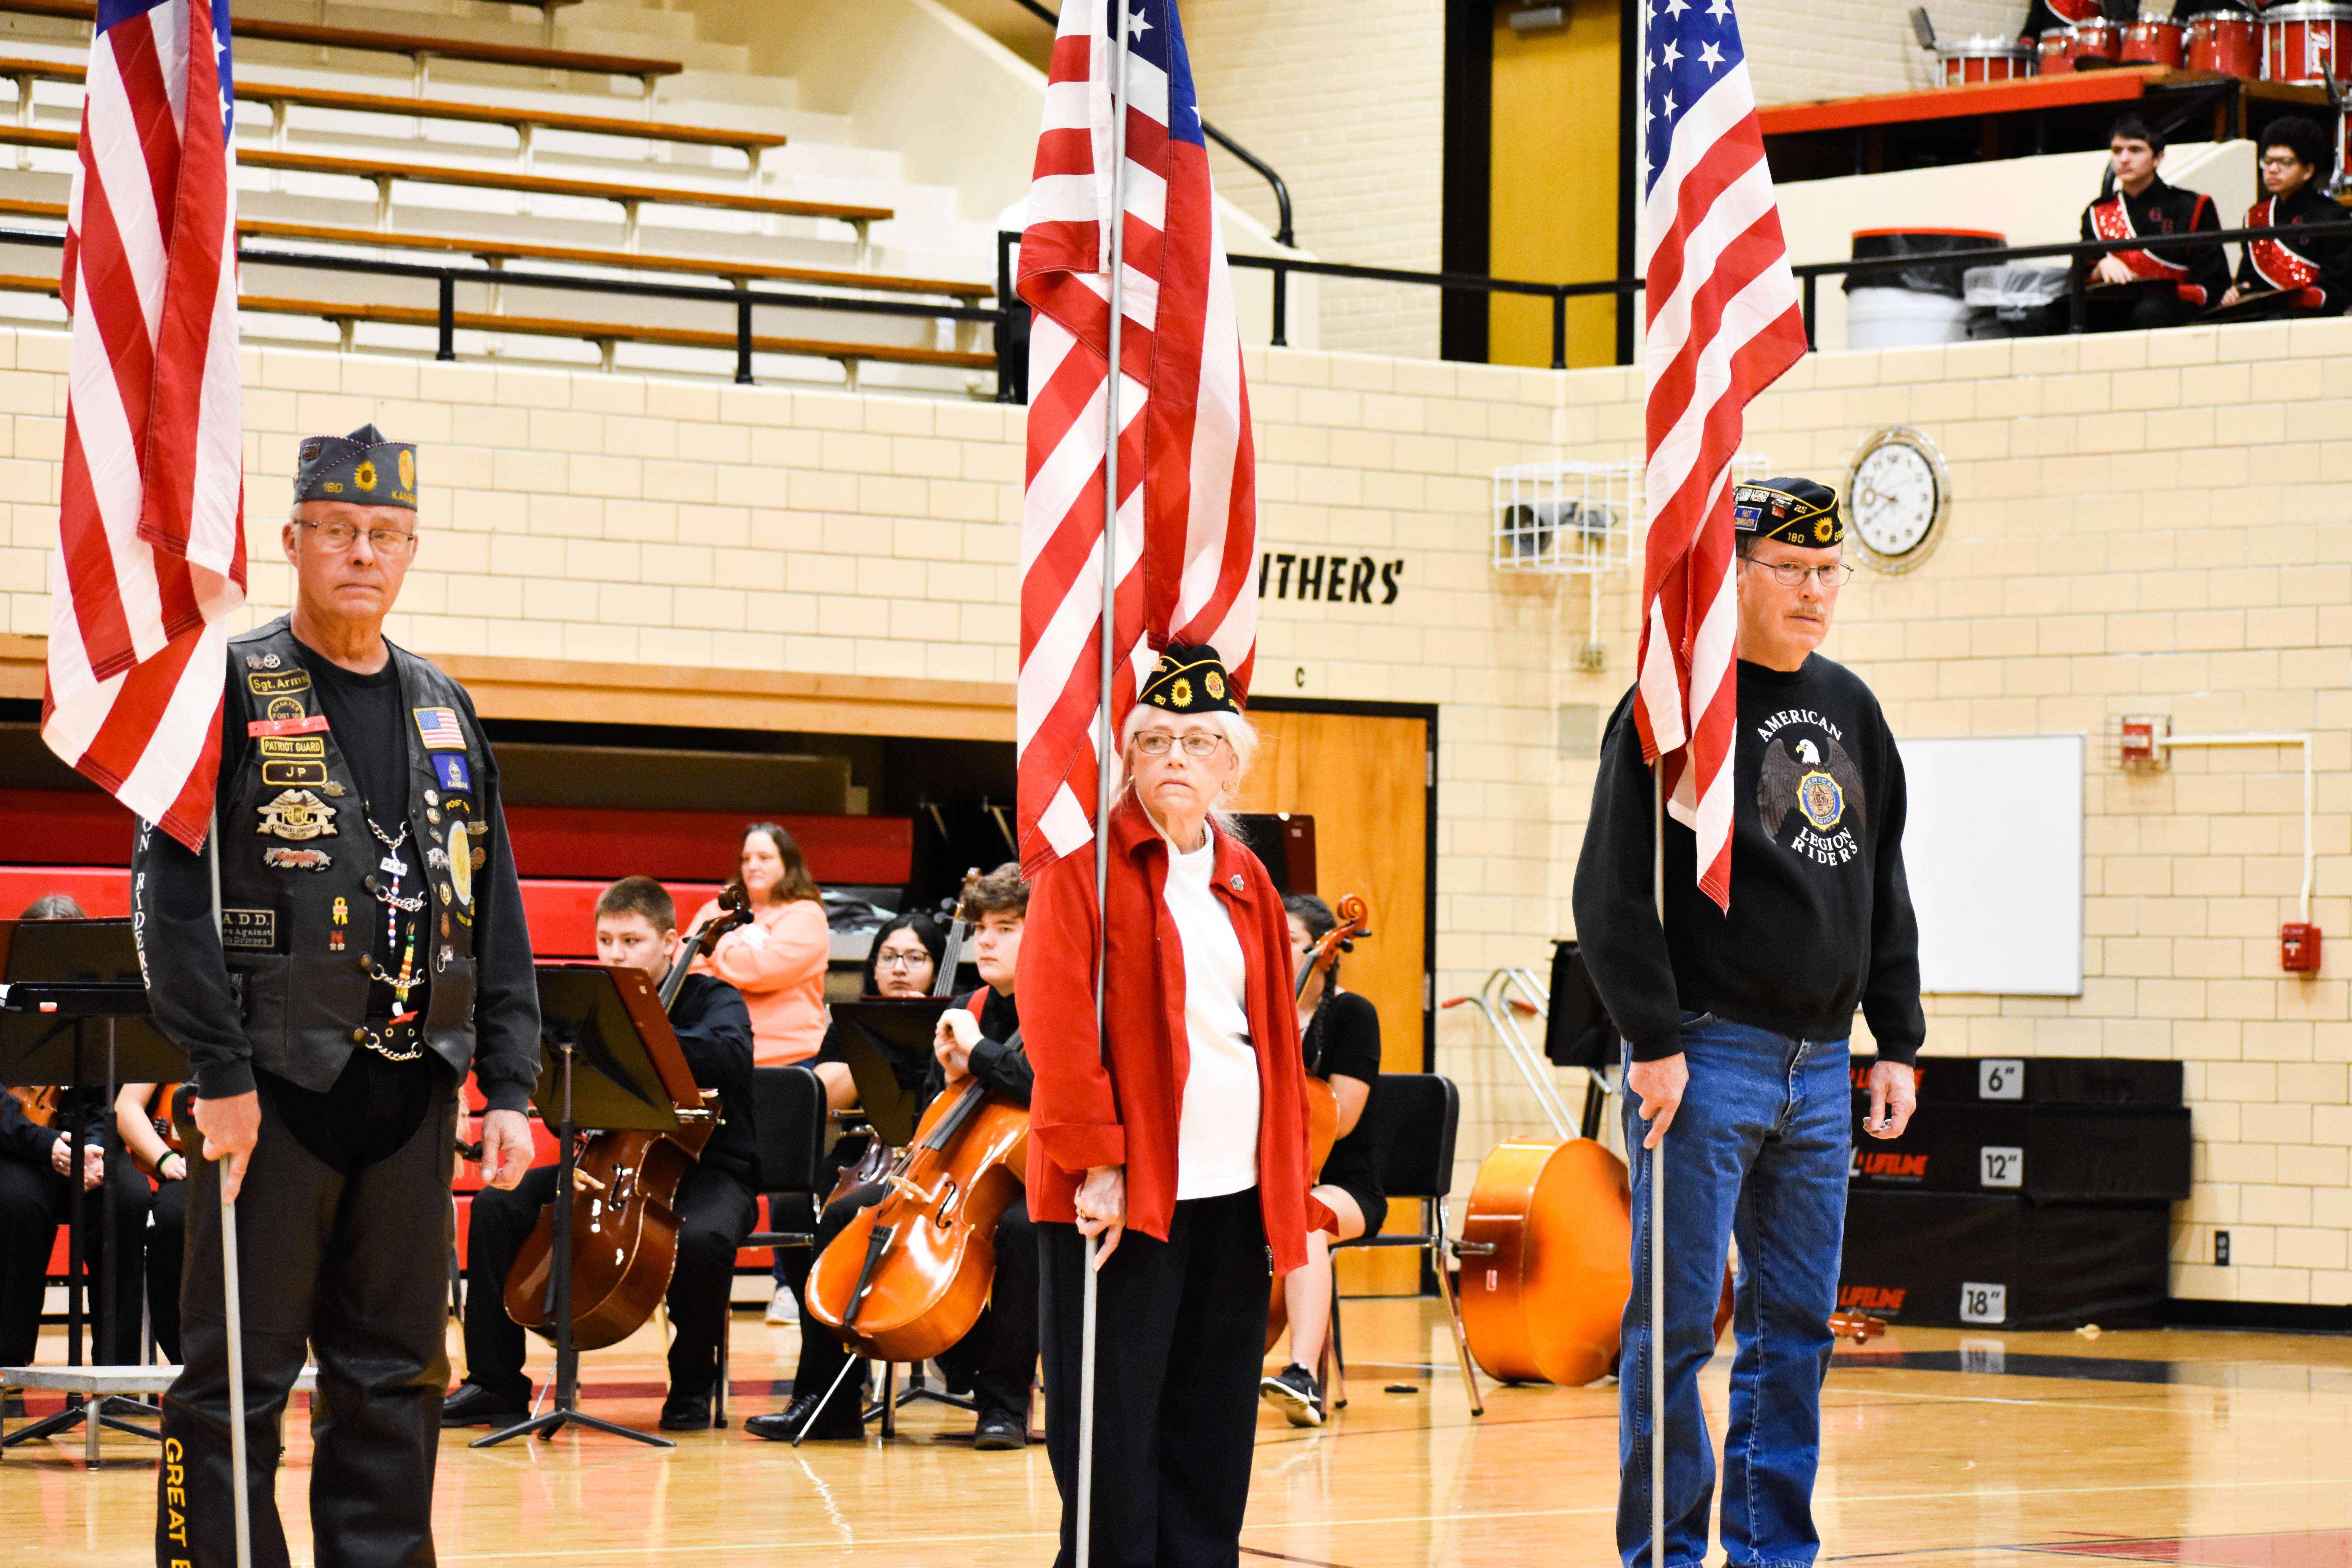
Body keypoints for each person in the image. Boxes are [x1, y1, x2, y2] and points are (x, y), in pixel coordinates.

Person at [132, 425, 540, 1568]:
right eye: (339, 532)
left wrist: (508, 1082)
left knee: (396, 1377)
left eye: (386, 535)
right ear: (294, 540)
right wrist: (215, 1073)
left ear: (411, 550)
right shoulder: (228, 687)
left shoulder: (444, 705)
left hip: (414, 1095)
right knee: (230, 1387)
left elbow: (490, 908)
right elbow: (168, 902)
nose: (363, 553)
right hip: (267, 1096)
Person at [1572, 478, 1924, 1568]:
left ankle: (1773, 1552)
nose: (1817, 592)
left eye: (1830, 574)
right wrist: (1655, 1040)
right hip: (1704, 1054)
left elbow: (1883, 876)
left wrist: (1897, 1036)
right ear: (1734, 575)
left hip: (1822, 1067)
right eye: (1791, 571)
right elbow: (1610, 895)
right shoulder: (1673, 707)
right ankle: (1668, 1556)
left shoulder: (1854, 709)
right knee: (1673, 1334)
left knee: (1794, 1335)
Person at [1022, 645, 1330, 1568]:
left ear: (1231, 763)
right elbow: (1057, 1024)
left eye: (1198, 742)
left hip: (1233, 1191)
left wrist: (1287, 1183)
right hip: (1124, 1196)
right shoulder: (1085, 874)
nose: (1175, 759)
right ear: (1129, 756)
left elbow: (1274, 1037)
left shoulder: (1247, 876)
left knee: (1210, 1418)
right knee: (1110, 1429)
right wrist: (1099, 1161)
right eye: (1154, 740)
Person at [443, 877, 758, 1432]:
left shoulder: (715, 998)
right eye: (606, 940)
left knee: (704, 1240)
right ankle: (494, 1384)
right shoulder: (591, 1003)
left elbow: (730, 1058)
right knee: (499, 1207)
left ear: (670, 942)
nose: (616, 954)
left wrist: (642, 1035)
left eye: (631, 942)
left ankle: (691, 1384)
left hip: (710, 1170)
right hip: (612, 1165)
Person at [748, 864, 1038, 1450]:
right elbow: (934, 1107)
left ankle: (1002, 1406)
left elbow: (1047, 1088)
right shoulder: (969, 1004)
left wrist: (978, 1055)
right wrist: (950, 1073)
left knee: (1023, 1232)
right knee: (841, 1216)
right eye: (981, 928)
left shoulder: (1061, 1003)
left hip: (1037, 1175)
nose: (985, 941)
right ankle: (827, 1400)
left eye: (1006, 928)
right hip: (959, 1173)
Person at [764, 909, 948, 1325]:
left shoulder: (957, 1021)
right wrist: (889, 1042)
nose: (899, 968)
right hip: (860, 1154)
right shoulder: (854, 1021)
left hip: (932, 1159)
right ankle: (820, 1326)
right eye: (888, 956)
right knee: (791, 1204)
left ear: (937, 967)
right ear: (874, 967)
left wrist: (928, 1037)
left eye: (915, 958)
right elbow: (825, 1090)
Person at [0, 892, 149, 1383]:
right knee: (15, 1204)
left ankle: (119, 1371)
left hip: (89, 1144)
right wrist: (48, 1147)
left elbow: (108, 1095)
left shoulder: (104, 1004)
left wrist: (91, 1149)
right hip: (20, 1147)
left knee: (125, 1200)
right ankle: (11, 1367)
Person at [1259, 892, 1387, 1428]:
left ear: (1326, 952)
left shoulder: (1352, 1015)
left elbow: (1342, 1119)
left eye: (1287, 942)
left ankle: (1302, 1376)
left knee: (1305, 1218)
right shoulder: (1250, 1012)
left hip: (1342, 1184)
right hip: (1263, 1179)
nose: (1274, 950)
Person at [691, 822, 829, 1067]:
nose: (753, 867)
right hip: (720, 1051)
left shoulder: (806, 915)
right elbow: (689, 969)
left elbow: (764, 970)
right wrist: (740, 965)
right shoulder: (714, 910)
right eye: (746, 859)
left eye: (764, 858)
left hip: (789, 1058)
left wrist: (717, 946)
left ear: (787, 864)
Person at [2077, 114, 2228, 332]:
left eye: (2135, 150)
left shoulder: (2191, 206)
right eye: (2117, 151)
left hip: (2171, 307)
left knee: (2148, 312)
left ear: (2158, 158)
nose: (2124, 159)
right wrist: (2100, 266)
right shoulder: (2097, 211)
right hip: (2112, 304)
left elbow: (2212, 280)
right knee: (2044, 316)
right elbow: (2082, 271)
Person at [2218, 118, 2351, 320]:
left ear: (2308, 171)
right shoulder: (2256, 215)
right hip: (2264, 311)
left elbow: (2338, 289)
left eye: (2285, 162)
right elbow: (2250, 279)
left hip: (2310, 318)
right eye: (2268, 161)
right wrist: (2238, 291)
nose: (2273, 170)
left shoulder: (2332, 217)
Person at [113, 1079, 192, 1364]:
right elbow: (126, 1106)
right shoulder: (174, 1036)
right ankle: (183, 1356)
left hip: (260, 1168)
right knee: (173, 1220)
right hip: (189, 1166)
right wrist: (165, 1159)